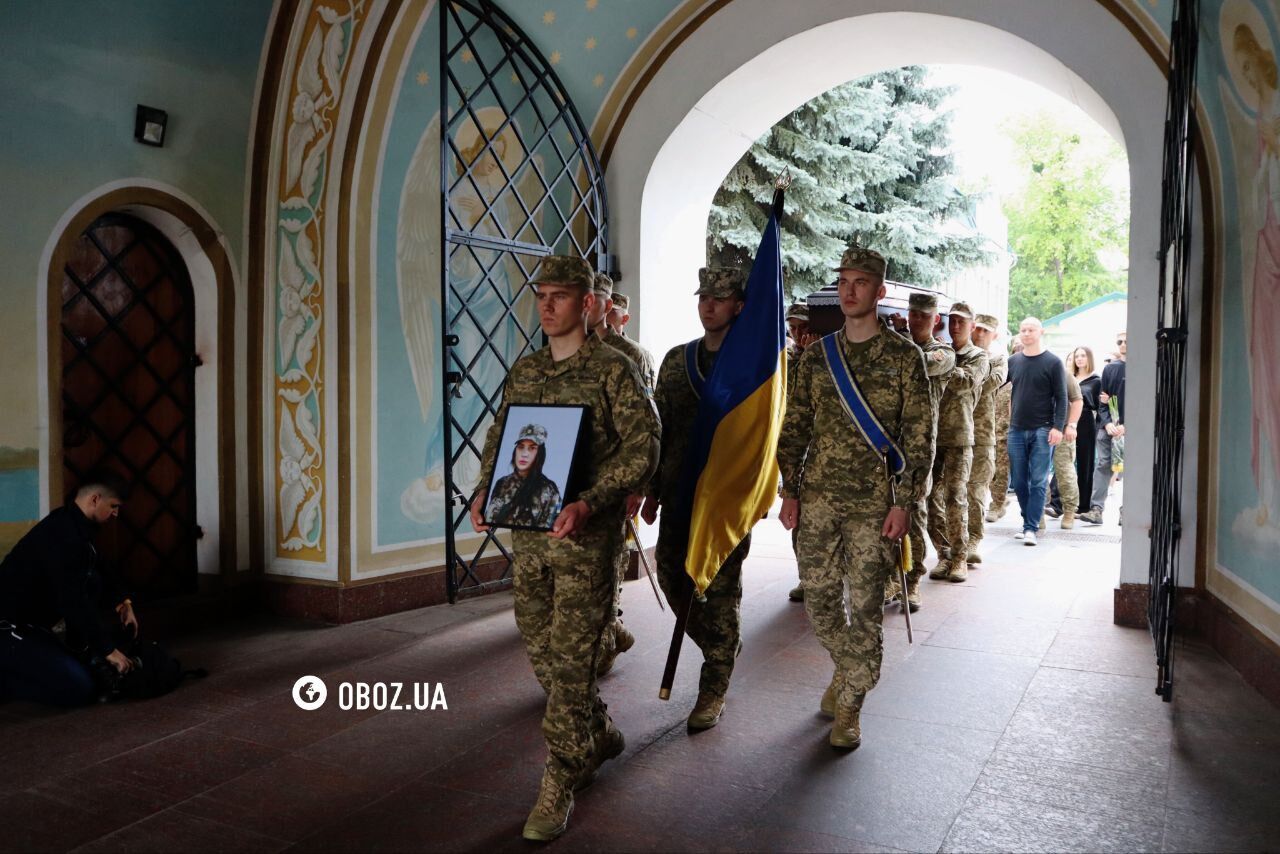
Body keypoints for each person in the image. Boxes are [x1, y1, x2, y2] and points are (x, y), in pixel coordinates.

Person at [470, 255, 660, 842]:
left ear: (586, 303)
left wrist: (591, 500)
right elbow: (501, 438)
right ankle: (597, 734)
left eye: (559, 295)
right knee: (546, 662)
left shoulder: (612, 370)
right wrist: (484, 492)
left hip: (584, 542)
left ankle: (558, 780)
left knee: (574, 667)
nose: (547, 305)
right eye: (541, 294)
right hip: (529, 540)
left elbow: (644, 445)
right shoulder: (526, 372)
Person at [778, 246, 931, 749]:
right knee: (819, 600)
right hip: (819, 500)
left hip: (874, 505)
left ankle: (850, 705)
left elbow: (918, 437)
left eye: (861, 282)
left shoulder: (905, 359)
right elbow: (795, 426)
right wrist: (790, 489)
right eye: (843, 280)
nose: (849, 290)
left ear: (879, 292)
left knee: (865, 606)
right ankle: (850, 670)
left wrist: (904, 502)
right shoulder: (817, 357)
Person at [641, 266, 753, 731]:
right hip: (680, 497)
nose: (708, 304)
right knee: (673, 580)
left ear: (739, 307)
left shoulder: (752, 366)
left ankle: (713, 687)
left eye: (719, 298)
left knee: (719, 592)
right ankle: (722, 646)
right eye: (703, 296)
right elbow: (659, 428)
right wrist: (650, 490)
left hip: (725, 503)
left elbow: (764, 436)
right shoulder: (675, 360)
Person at [0, 471, 137, 707]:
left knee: (92, 578)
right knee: (79, 688)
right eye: (113, 506)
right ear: (95, 499)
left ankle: (75, 653)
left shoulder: (76, 524)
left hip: (32, 627)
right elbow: (72, 601)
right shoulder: (62, 534)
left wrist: (125, 603)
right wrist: (108, 650)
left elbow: (101, 565)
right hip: (7, 628)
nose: (116, 513)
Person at [588, 272, 655, 676]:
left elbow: (647, 427)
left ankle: (608, 633)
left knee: (606, 568)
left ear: (607, 306)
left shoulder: (628, 355)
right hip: (575, 482)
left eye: (594, 298)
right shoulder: (565, 351)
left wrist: (640, 484)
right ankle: (612, 630)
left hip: (612, 480)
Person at [885, 293, 954, 610]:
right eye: (911, 315)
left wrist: (898, 337)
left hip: (919, 444)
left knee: (913, 515)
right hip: (887, 443)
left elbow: (913, 364)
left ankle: (911, 584)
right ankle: (889, 582)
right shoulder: (898, 346)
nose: (915, 321)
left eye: (923, 317)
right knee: (882, 514)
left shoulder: (942, 353)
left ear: (935, 320)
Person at [925, 301, 989, 583]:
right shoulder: (938, 350)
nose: (956, 326)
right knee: (927, 498)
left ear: (972, 325)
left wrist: (943, 361)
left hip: (960, 437)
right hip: (932, 436)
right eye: (952, 320)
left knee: (955, 497)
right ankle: (944, 553)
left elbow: (967, 381)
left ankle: (960, 558)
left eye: (962, 321)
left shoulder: (979, 356)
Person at [1005, 318, 1068, 545]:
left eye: (1031, 330)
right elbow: (997, 386)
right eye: (1023, 330)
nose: (1026, 333)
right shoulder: (1013, 361)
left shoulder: (1053, 362)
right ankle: (1027, 521)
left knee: (1039, 481)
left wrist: (1058, 427)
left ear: (1040, 332)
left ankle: (1030, 527)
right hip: (1016, 430)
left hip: (1043, 429)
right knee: (1019, 482)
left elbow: (1062, 398)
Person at [965, 313, 1007, 564]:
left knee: (977, 490)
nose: (979, 334)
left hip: (981, 434)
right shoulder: (957, 353)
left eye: (985, 331)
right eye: (977, 329)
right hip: (953, 433)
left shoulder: (998, 360)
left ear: (995, 335)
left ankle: (973, 539)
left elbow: (991, 382)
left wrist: (963, 375)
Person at [784, 301, 816, 603]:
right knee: (800, 517)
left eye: (802, 327)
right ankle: (806, 577)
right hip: (796, 445)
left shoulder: (822, 353)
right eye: (792, 328)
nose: (797, 333)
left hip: (823, 446)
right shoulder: (788, 357)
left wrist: (811, 355)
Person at [1048, 346, 1100, 517]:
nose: (1079, 359)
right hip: (1065, 420)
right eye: (1077, 356)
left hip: (1085, 422)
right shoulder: (1068, 377)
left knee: (1085, 463)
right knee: (1062, 462)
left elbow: (1101, 405)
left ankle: (1083, 505)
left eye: (1083, 356)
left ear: (1089, 358)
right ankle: (1056, 504)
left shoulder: (1096, 380)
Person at [1081, 331, 1125, 525]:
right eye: (1119, 341)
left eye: (1126, 341)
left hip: (1130, 429)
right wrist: (1107, 423)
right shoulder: (1111, 369)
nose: (1123, 344)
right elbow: (1103, 400)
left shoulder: (1144, 367)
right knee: (1102, 465)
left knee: (1130, 469)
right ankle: (1096, 509)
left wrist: (1126, 426)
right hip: (1107, 427)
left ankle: (1128, 510)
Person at [487, 424, 563, 529]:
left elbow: (551, 527)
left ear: (539, 454)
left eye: (532, 448)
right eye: (521, 447)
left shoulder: (548, 490)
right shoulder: (502, 483)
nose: (524, 454)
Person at [986, 338, 1022, 523]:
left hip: (1020, 431)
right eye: (1016, 348)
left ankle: (1039, 509)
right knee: (997, 470)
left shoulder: (1026, 379)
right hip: (997, 432)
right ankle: (997, 503)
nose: (1019, 351)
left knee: (1028, 473)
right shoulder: (1002, 375)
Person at [1042, 370, 1083, 530]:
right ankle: (1038, 512)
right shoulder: (1034, 369)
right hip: (1039, 429)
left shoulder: (1064, 374)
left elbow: (1077, 400)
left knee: (1065, 472)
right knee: (1038, 474)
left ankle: (1069, 511)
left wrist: (1072, 425)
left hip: (1063, 429)